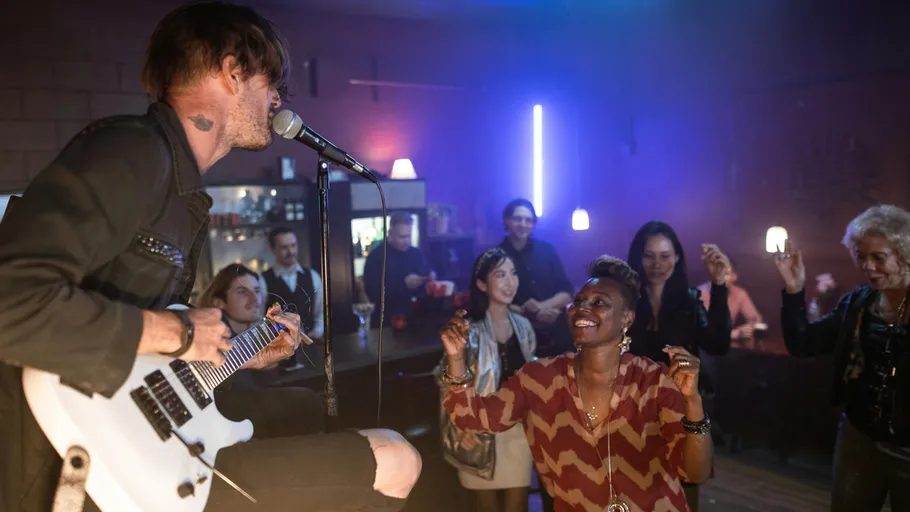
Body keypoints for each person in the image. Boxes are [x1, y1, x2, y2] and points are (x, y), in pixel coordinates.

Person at [0, 3, 420, 511]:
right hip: (67, 464)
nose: (278, 99)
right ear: (231, 71)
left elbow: (148, 357)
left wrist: (235, 351)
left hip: (137, 449)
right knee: (395, 460)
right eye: (273, 82)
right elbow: (12, 299)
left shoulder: (185, 195)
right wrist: (178, 333)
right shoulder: (133, 151)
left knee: (356, 438)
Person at [439, 255, 713, 511]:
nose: (583, 309)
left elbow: (695, 472)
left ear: (627, 318)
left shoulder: (654, 381)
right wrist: (456, 358)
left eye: (599, 303)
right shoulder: (539, 379)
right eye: (579, 301)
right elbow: (473, 417)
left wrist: (693, 402)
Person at [773, 205, 910, 512]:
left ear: (903, 253)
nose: (868, 266)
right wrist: (794, 290)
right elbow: (803, 344)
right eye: (861, 256)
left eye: (879, 257)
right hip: (859, 439)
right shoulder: (859, 302)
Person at [625, 221, 732, 511]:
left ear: (677, 258)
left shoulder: (690, 301)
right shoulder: (625, 301)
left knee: (683, 495)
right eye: (649, 255)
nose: (657, 264)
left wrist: (719, 285)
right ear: (637, 257)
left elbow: (719, 344)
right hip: (631, 413)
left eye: (665, 255)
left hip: (678, 411)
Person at [435, 248, 536, 512]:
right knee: (485, 506)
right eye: (500, 275)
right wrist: (460, 426)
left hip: (518, 430)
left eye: (513, 273)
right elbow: (446, 380)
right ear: (481, 284)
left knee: (518, 504)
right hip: (478, 428)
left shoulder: (523, 326)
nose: (510, 282)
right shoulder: (468, 330)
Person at [198, 263, 324, 436]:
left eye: (257, 291)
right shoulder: (208, 338)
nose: (254, 299)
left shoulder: (250, 336)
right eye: (243, 292)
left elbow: (262, 383)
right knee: (306, 401)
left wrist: (273, 354)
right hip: (217, 427)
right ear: (219, 302)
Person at [498, 198, 574, 358]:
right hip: (517, 339)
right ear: (507, 221)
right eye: (517, 219)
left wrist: (540, 307)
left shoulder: (547, 250)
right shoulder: (496, 257)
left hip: (558, 336)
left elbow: (567, 292)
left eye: (528, 220)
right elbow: (492, 301)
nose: (523, 224)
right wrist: (530, 314)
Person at [260, 225, 324, 371]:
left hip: (310, 352)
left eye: (293, 245)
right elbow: (258, 319)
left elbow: (320, 312)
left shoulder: (312, 276)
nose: (291, 251)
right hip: (278, 355)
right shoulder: (263, 280)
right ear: (272, 250)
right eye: (284, 247)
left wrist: (317, 332)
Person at [362, 211, 435, 323]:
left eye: (409, 236)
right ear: (390, 233)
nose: (406, 241)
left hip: (416, 319)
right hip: (386, 322)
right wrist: (404, 285)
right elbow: (373, 293)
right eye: (402, 237)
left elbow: (427, 270)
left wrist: (431, 275)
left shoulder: (416, 253)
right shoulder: (376, 257)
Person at [697, 258, 763, 345]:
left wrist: (748, 328)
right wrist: (736, 334)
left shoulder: (739, 293)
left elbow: (757, 319)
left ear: (734, 277)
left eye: (725, 274)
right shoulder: (700, 293)